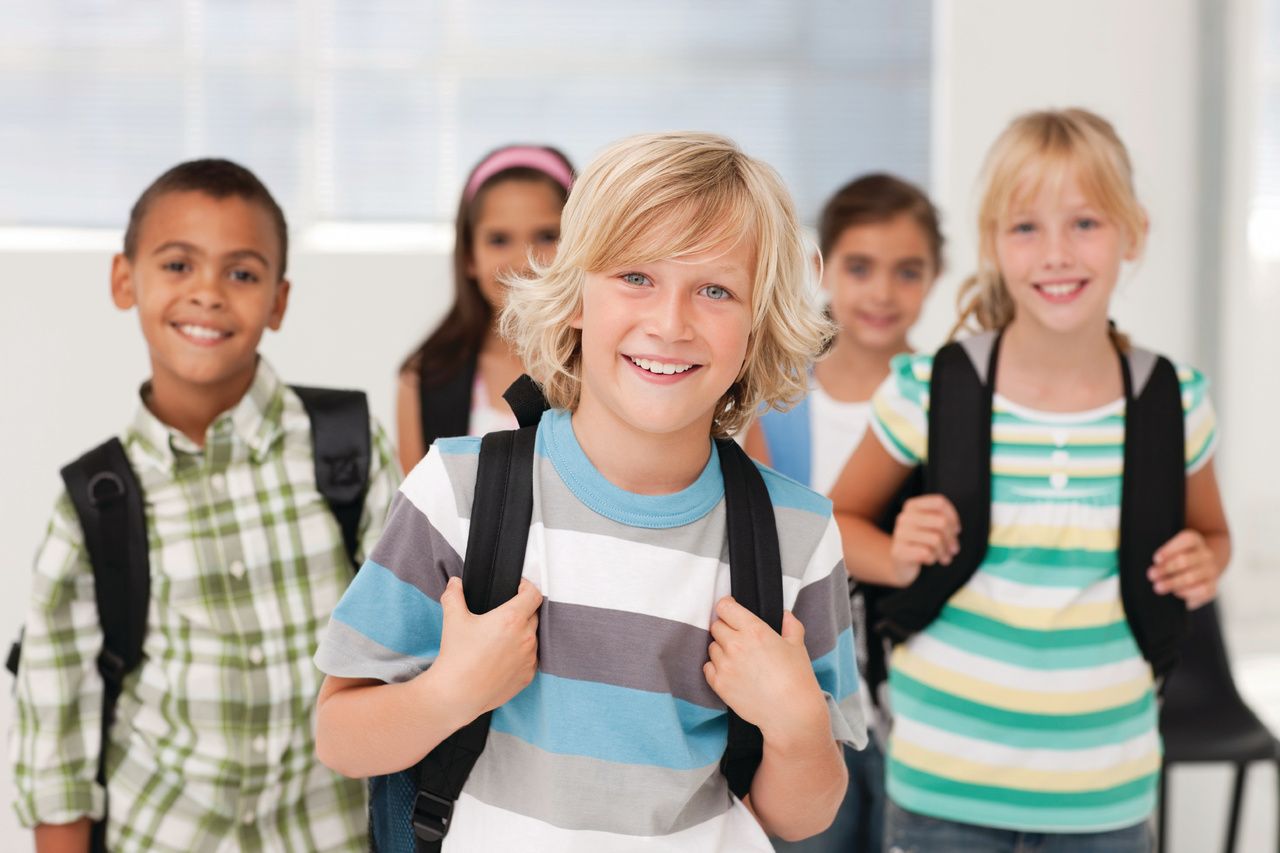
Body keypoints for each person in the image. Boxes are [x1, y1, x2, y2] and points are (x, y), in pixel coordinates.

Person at [314, 131, 867, 851]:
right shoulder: (457, 492)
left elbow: (802, 815)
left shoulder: (799, 535)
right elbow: (341, 736)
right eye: (636, 277)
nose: (670, 323)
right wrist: (453, 690)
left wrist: (797, 722)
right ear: (576, 295)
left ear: (757, 326)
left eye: (715, 289)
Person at [829, 108, 1231, 852]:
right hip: (940, 791)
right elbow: (837, 524)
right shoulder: (927, 391)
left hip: (1106, 797)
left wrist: (1206, 560)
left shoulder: (1173, 402)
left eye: (1085, 223)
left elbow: (1213, 535)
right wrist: (897, 553)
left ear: (1133, 232)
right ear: (991, 245)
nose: (1056, 253)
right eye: (1025, 228)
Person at [10, 159, 400, 852]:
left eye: (242, 273)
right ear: (124, 280)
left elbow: (406, 653)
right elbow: (55, 736)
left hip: (333, 834)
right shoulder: (96, 503)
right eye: (179, 265)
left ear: (279, 301)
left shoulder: (347, 446)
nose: (209, 293)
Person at [745, 173, 943, 853]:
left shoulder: (948, 402)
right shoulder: (779, 398)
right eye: (861, 267)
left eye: (907, 271)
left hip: (916, 687)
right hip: (810, 681)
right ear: (823, 267)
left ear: (935, 275)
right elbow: (771, 533)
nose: (883, 292)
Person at [395, 144, 575, 472]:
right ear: (468, 257)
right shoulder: (425, 379)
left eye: (548, 236)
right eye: (499, 240)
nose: (524, 261)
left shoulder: (608, 363)